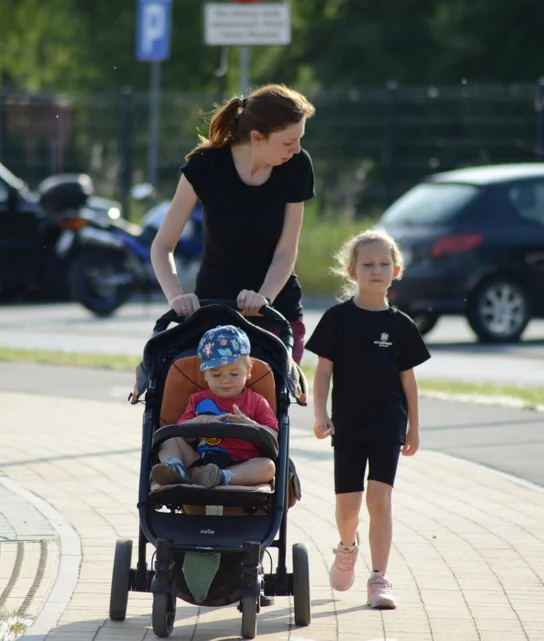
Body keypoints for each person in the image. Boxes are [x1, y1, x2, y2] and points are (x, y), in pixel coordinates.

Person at [304, 229, 431, 610]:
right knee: (348, 508)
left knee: (379, 500)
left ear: (396, 270)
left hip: (388, 424)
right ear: (351, 270)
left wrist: (414, 427)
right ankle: (347, 548)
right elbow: (323, 371)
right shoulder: (337, 319)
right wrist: (320, 414)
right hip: (347, 424)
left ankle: (379, 579)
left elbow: (409, 382)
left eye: (383, 264)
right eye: (367, 264)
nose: (376, 270)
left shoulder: (402, 326)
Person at [150, 84, 316, 365]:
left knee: (270, 403)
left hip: (277, 312)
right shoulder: (205, 165)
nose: (296, 149)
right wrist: (176, 297)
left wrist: (264, 299)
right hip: (213, 311)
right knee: (213, 403)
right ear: (257, 137)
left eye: (299, 139)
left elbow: (287, 250)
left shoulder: (297, 165)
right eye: (288, 142)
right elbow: (162, 246)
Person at [150, 325, 278, 489]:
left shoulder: (257, 401)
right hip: (199, 461)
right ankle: (176, 468)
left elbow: (273, 436)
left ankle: (222, 477)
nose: (225, 380)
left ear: (248, 371)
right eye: (216, 375)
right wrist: (201, 420)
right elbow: (182, 433)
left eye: (234, 374)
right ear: (205, 374)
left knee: (268, 467)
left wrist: (249, 424)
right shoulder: (197, 400)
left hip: (241, 464)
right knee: (168, 438)